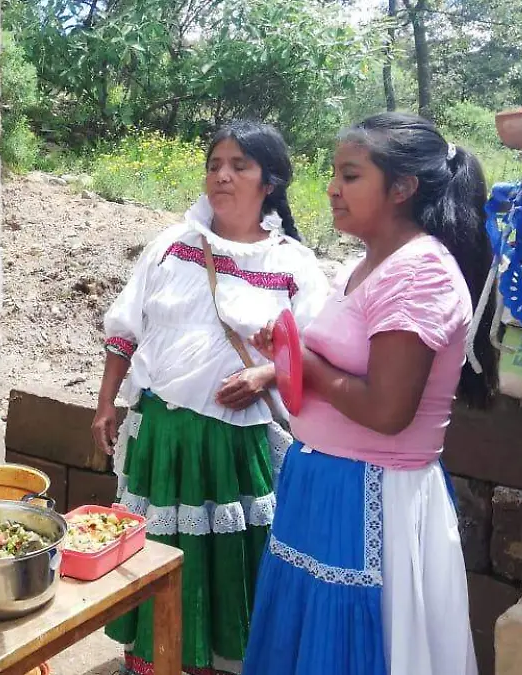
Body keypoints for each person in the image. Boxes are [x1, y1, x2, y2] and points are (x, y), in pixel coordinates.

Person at [241, 112, 497, 675]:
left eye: (350, 175)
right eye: (334, 174)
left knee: (350, 647)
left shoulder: (419, 273)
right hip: (328, 484)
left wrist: (306, 366)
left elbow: (387, 410)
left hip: (371, 496)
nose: (332, 189)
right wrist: (288, 352)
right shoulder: (367, 266)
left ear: (402, 188)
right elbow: (342, 363)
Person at [93, 121, 330, 675]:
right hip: (163, 432)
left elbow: (317, 351)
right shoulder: (170, 247)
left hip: (233, 439)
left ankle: (222, 663)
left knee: (230, 558)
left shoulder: (292, 264)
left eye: (240, 165)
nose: (222, 175)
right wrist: (107, 404)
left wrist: (264, 376)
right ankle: (156, 660)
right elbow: (125, 329)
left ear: (268, 182)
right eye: (215, 163)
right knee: (158, 551)